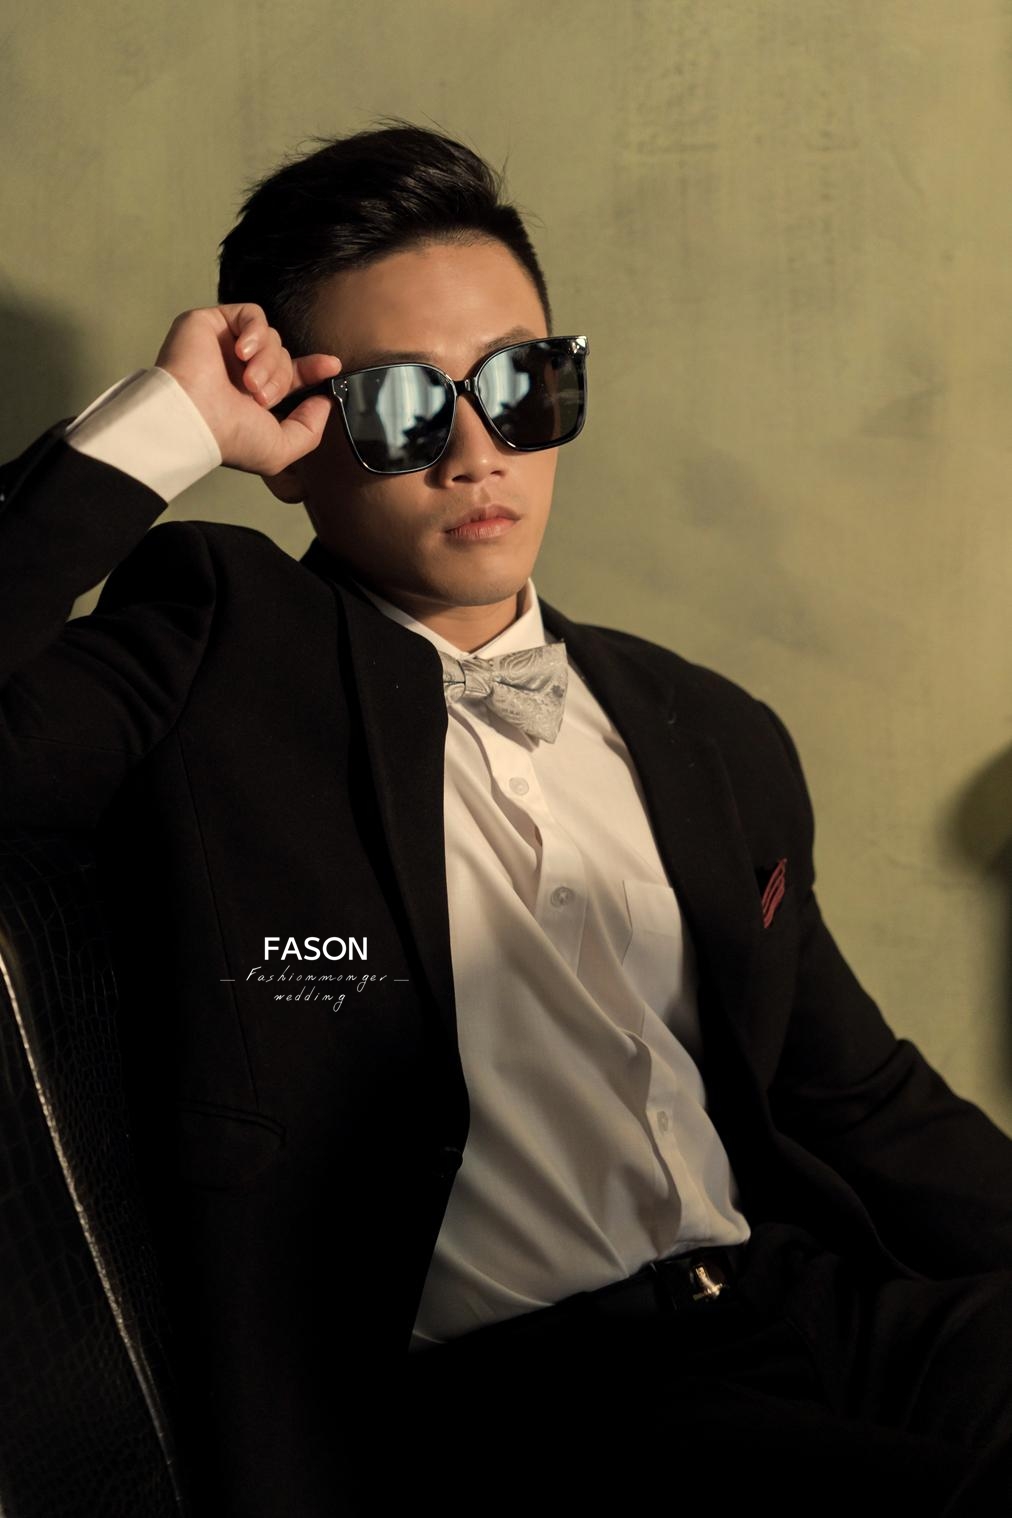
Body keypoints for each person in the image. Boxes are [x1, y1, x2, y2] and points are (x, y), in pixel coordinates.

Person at [2, 117, 1011, 1516]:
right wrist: (165, 426)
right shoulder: (215, 650)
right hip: (529, 1411)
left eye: (521, 382)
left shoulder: (707, 728)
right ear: (295, 443)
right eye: (405, 406)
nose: (480, 451)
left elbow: (861, 1102)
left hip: (803, 1312)